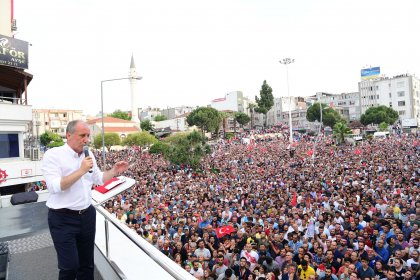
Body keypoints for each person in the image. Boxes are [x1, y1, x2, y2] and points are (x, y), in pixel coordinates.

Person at [42, 120, 129, 280]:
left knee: (86, 264)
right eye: (82, 135)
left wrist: (114, 170)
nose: (87, 140)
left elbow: (100, 179)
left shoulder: (89, 156)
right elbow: (55, 186)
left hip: (87, 215)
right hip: (62, 218)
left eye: (88, 136)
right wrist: (81, 170)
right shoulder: (53, 155)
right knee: (69, 267)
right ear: (69, 135)